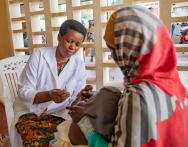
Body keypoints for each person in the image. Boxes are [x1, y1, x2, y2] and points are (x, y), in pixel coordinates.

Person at [52, 5, 188, 147]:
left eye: (114, 49)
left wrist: (84, 122)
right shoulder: (174, 82)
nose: (112, 55)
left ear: (131, 49)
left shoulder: (139, 97)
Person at [11, 19, 88, 147]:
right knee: (38, 142)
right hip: (31, 111)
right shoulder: (39, 56)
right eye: (69, 41)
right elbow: (23, 91)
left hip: (60, 113)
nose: (72, 47)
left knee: (69, 141)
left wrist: (82, 96)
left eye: (77, 44)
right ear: (59, 37)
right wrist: (49, 95)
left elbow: (75, 98)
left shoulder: (79, 64)